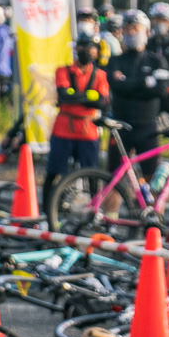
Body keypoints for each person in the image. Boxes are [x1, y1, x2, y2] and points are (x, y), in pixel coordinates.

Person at [43, 33, 109, 211]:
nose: (87, 51)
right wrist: (89, 95)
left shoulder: (100, 74)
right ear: (76, 49)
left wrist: (75, 95)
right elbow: (63, 95)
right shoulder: (63, 70)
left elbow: (102, 101)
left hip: (88, 130)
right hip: (63, 129)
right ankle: (47, 209)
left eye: (90, 48)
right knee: (54, 172)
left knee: (92, 174)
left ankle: (94, 211)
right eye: (83, 47)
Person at [106, 11, 168, 183]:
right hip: (120, 126)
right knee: (114, 178)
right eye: (126, 29)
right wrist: (145, 82)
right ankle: (109, 212)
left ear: (146, 32)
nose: (130, 33)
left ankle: (151, 210)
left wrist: (127, 82)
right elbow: (116, 86)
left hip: (147, 127)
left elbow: (161, 90)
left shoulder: (157, 61)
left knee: (152, 179)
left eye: (135, 29)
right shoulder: (115, 60)